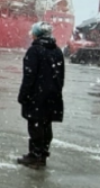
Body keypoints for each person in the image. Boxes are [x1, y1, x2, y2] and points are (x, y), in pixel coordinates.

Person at [17, 21, 65, 169]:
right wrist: (55, 92)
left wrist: (23, 95)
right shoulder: (57, 51)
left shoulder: (34, 50)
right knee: (46, 125)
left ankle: (35, 156)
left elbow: (29, 76)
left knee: (35, 125)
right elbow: (61, 76)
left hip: (37, 96)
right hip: (52, 96)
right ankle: (42, 154)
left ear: (37, 34)